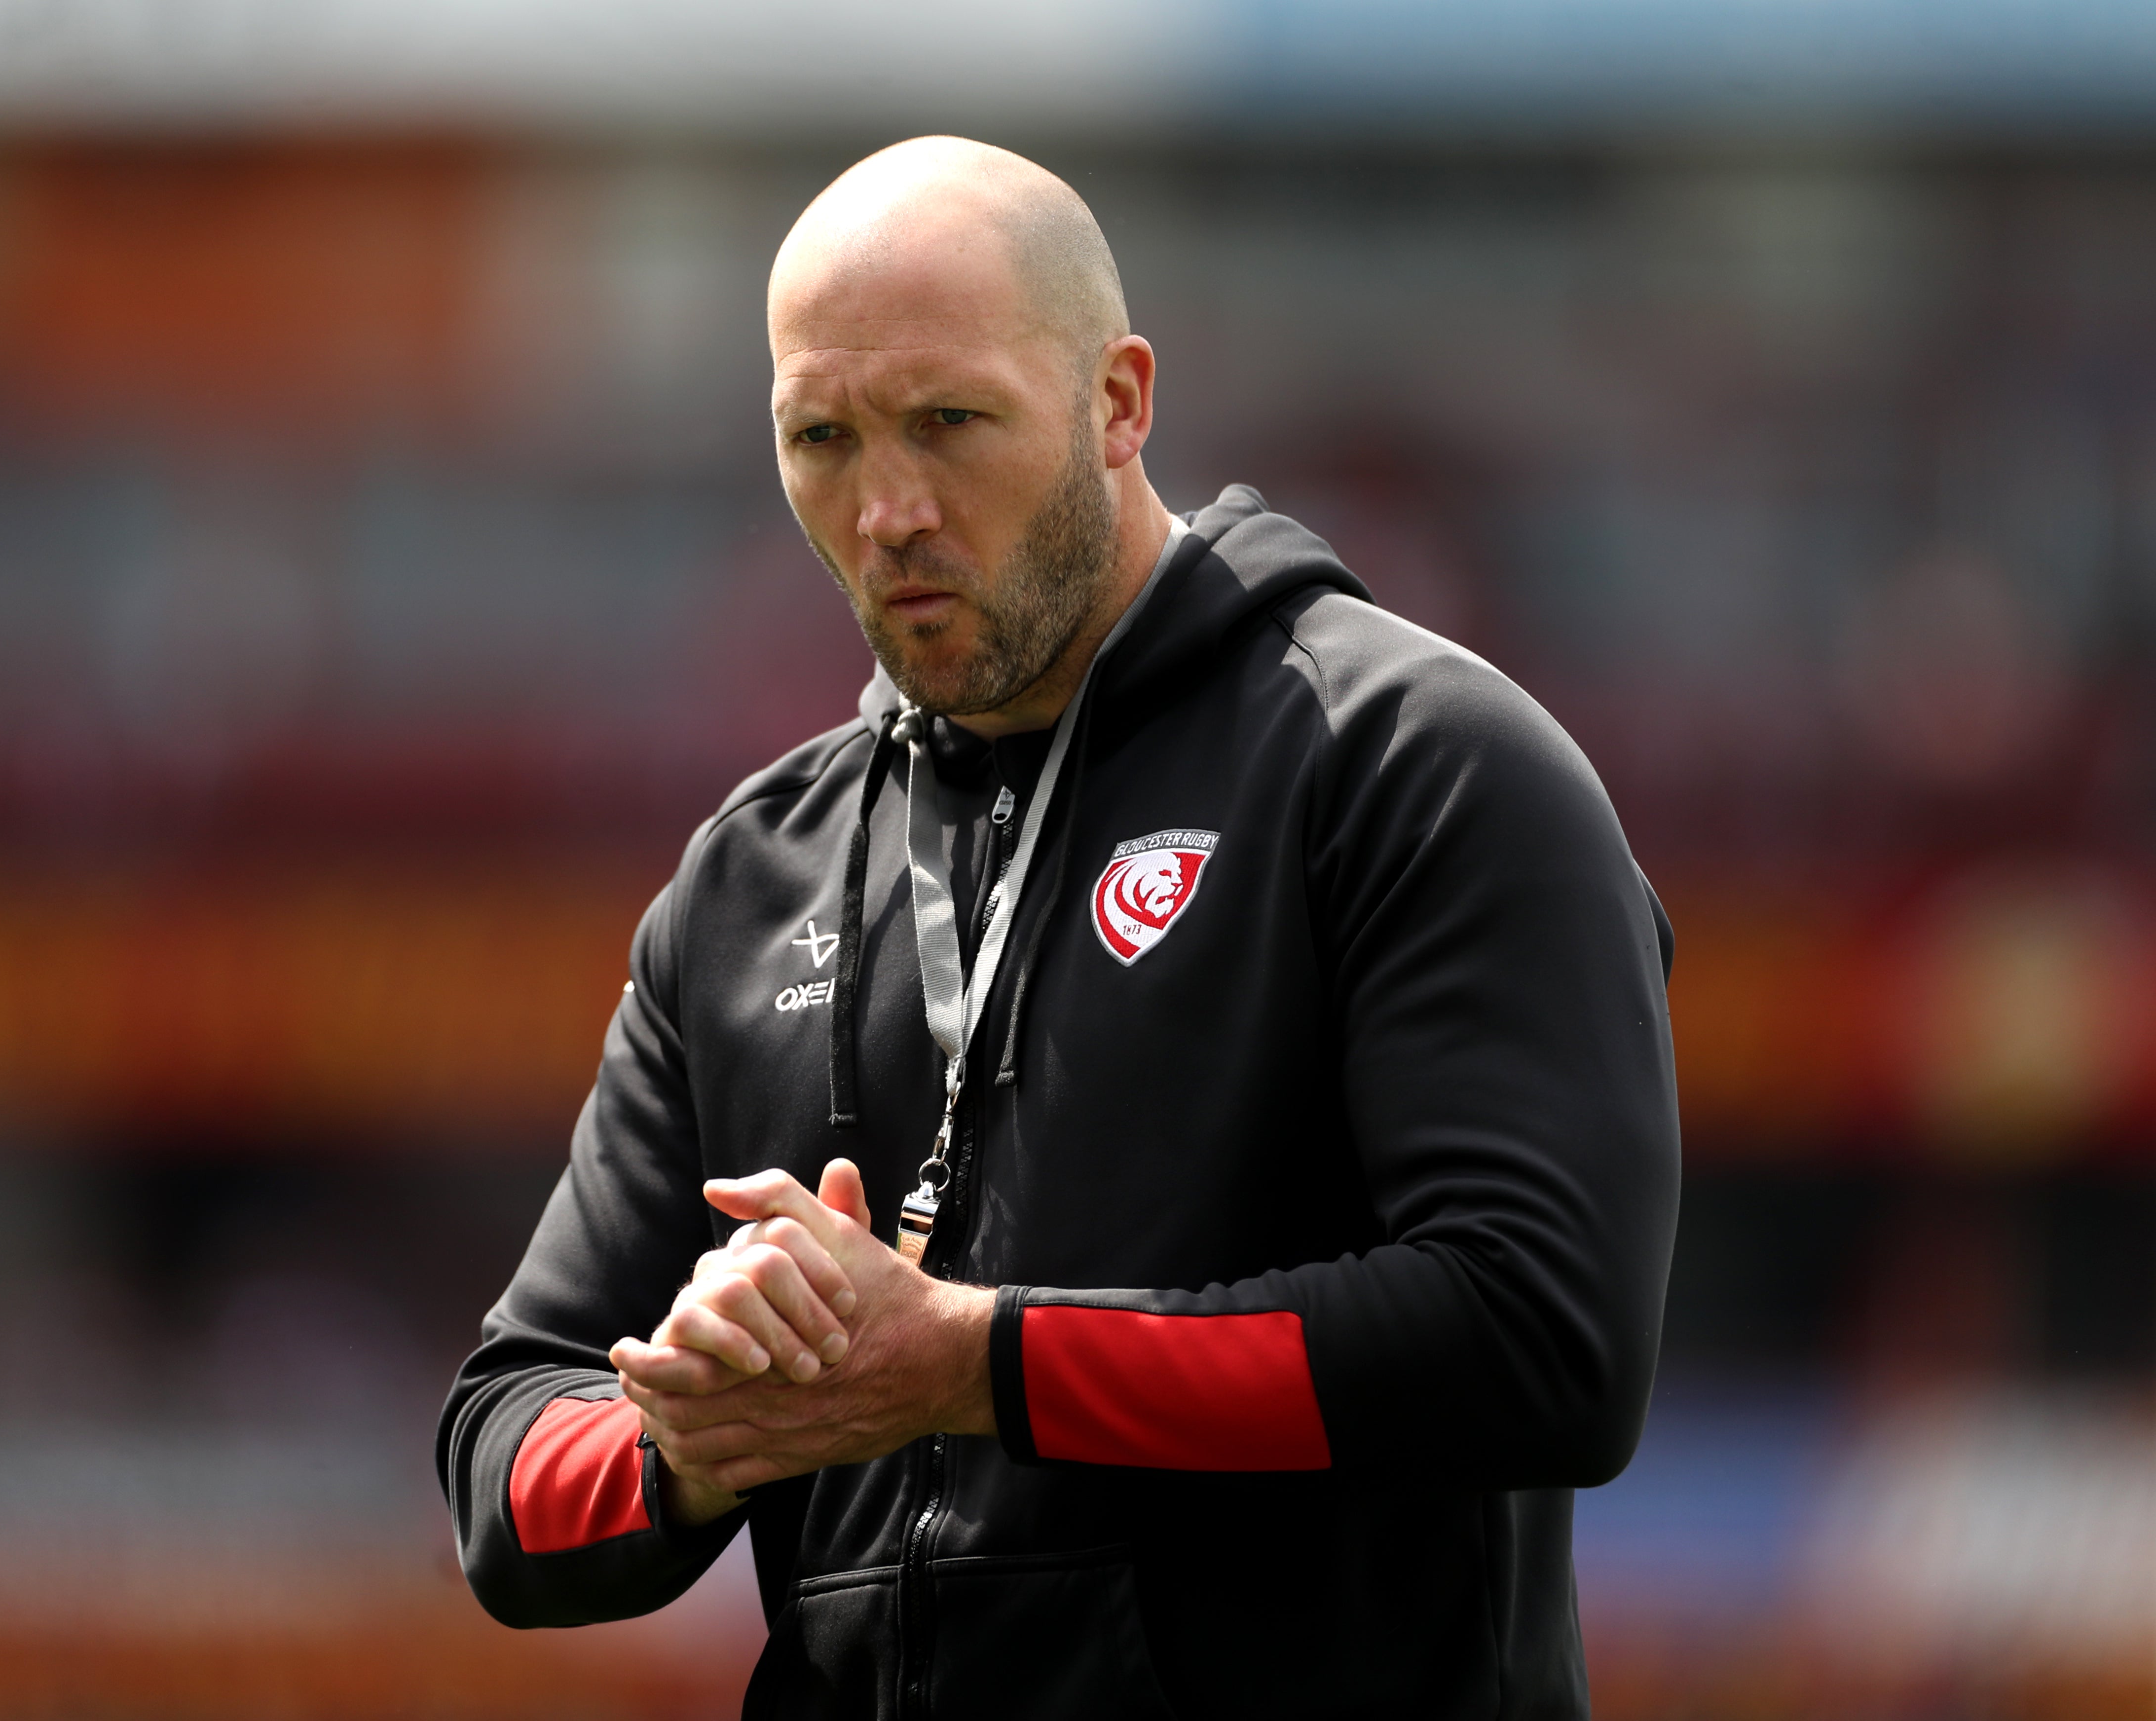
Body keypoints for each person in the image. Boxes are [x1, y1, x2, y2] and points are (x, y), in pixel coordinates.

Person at [437, 136, 1679, 1720]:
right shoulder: (750, 883)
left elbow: (1542, 1342)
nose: (884, 510)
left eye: (947, 422)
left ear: (1117, 403)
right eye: (819, 437)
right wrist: (686, 1442)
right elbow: (500, 1455)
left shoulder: (1410, 761)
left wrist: (976, 1363)